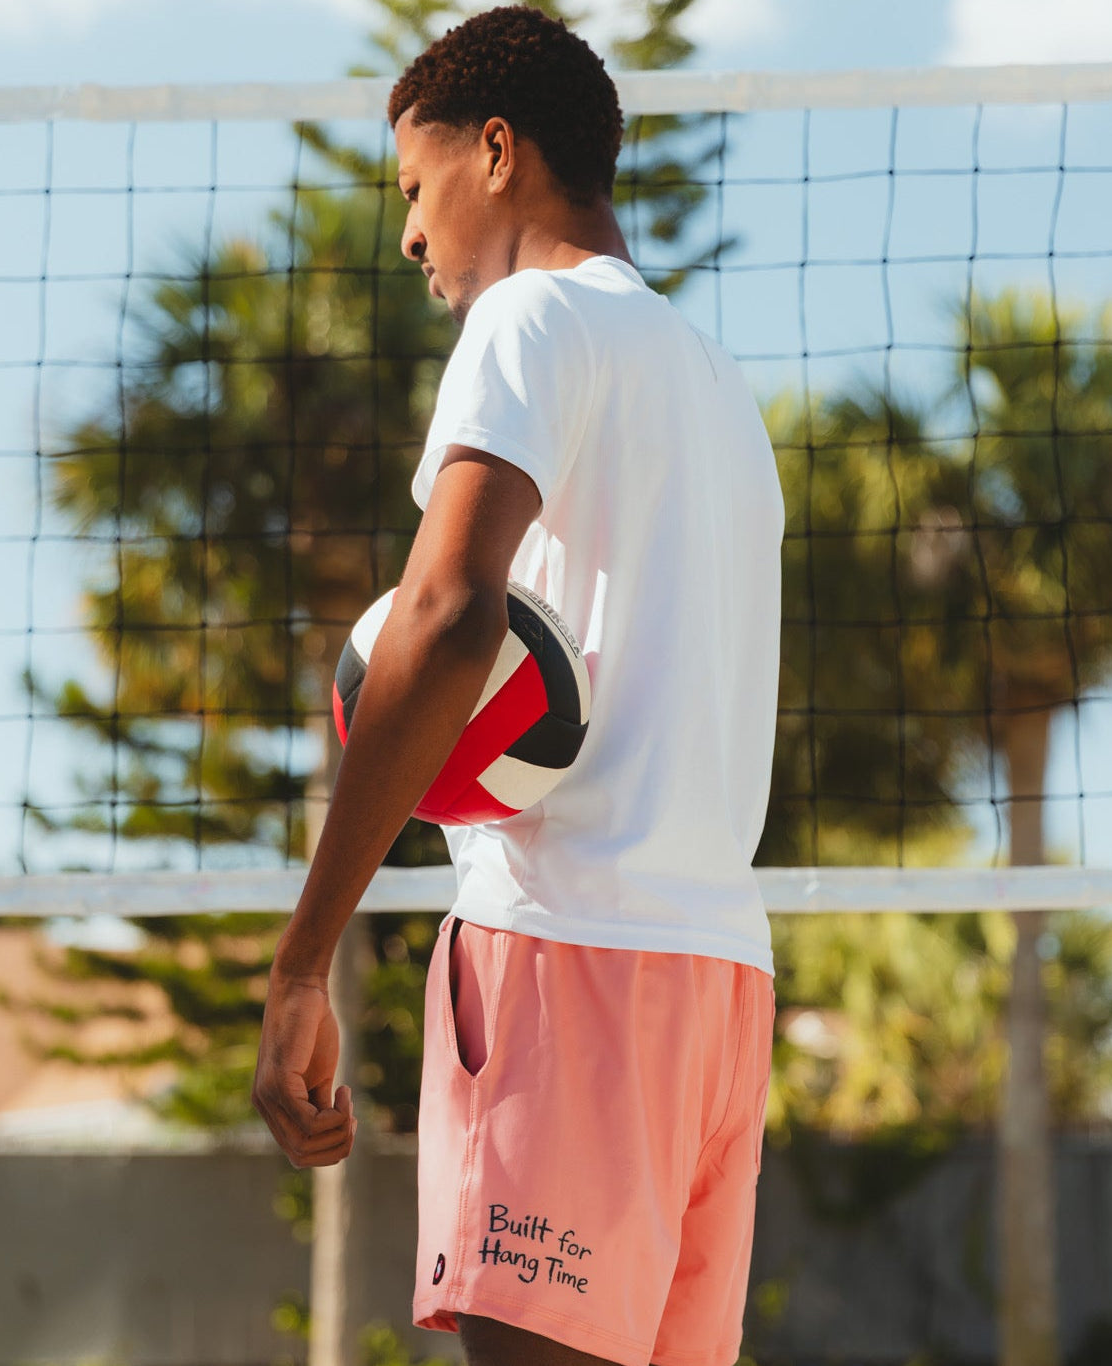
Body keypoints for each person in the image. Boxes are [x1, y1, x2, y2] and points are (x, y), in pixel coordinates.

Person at [251, 8, 785, 1364]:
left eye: (415, 189)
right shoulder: (719, 386)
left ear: (497, 152)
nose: (411, 235)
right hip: (718, 986)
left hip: (567, 953)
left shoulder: (525, 318)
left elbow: (445, 613)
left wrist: (302, 960)